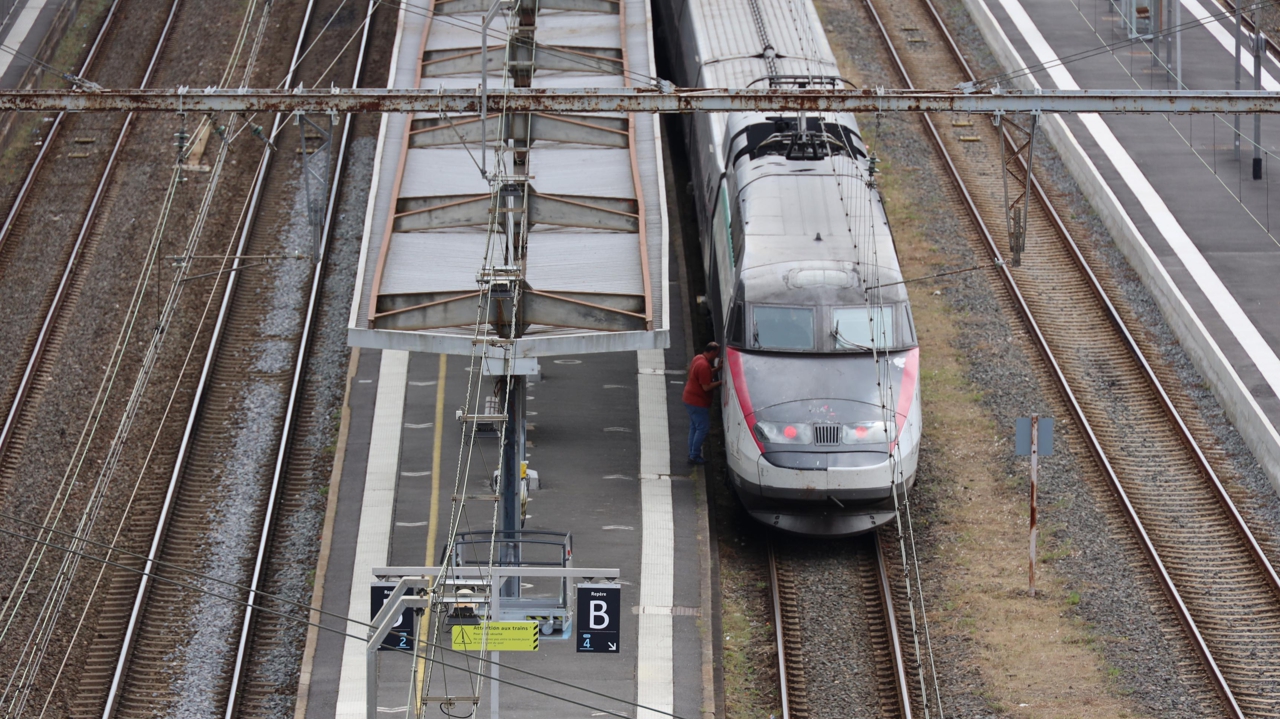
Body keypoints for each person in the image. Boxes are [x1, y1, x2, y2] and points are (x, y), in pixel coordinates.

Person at [682, 342, 722, 464]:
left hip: (689, 399)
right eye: (716, 354)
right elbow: (706, 386)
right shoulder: (704, 365)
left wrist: (719, 369)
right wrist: (721, 382)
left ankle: (692, 453)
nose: (716, 357)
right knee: (702, 428)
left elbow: (706, 375)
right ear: (712, 352)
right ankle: (694, 456)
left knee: (694, 427)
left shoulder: (698, 358)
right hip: (697, 402)